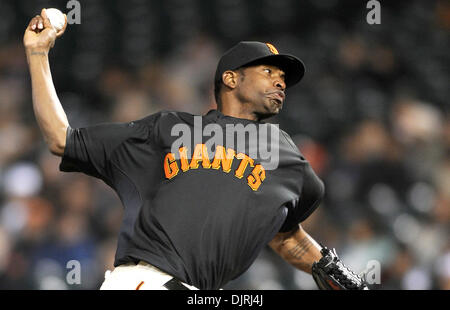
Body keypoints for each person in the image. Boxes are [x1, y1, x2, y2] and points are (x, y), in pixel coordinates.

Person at [24, 9, 367, 290]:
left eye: (283, 78)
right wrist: (38, 54)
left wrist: (327, 265)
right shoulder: (168, 130)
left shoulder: (289, 160)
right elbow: (61, 138)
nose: (280, 82)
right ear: (231, 80)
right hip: (146, 281)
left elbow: (286, 236)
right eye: (268, 71)